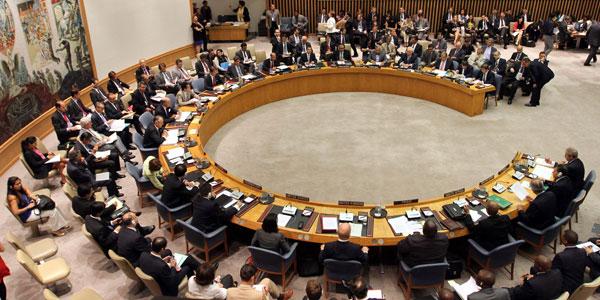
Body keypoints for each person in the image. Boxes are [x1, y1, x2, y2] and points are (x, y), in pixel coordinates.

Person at [6, 176, 71, 236]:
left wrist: (33, 198)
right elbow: (15, 212)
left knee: (54, 205)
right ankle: (55, 230)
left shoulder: (21, 188)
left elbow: (30, 194)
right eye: (17, 184)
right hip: (27, 215)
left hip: (31, 207)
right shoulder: (12, 198)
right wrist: (28, 207)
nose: (20, 185)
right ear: (11, 186)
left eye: (20, 183)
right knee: (52, 211)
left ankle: (61, 225)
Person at [547, 230, 588, 294]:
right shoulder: (583, 251)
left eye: (562, 236)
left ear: (565, 241)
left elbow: (552, 272)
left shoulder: (560, 256)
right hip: (579, 284)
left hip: (565, 288)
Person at [227, 264, 293, 300]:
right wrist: (265, 294)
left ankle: (280, 297)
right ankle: (280, 297)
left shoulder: (229, 291)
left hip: (250, 291)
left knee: (266, 281)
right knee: (266, 286)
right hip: (257, 294)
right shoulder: (259, 295)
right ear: (252, 278)